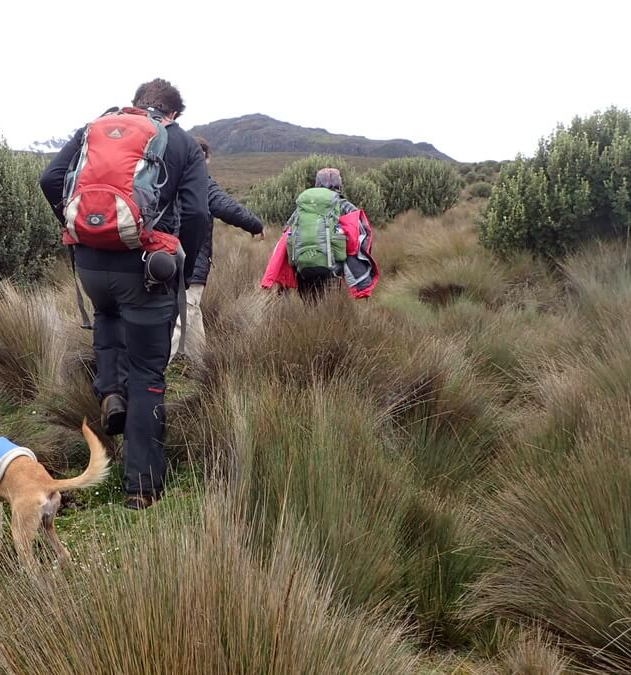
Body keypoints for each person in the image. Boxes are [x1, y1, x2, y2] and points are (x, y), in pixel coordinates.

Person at [39, 78, 210, 510]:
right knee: (149, 375)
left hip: (92, 264)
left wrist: (78, 228)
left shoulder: (94, 127)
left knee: (108, 318)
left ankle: (111, 390)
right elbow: (197, 212)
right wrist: (180, 258)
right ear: (173, 113)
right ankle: (142, 487)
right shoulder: (180, 142)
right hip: (147, 268)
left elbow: (50, 177)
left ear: (137, 104)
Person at [169, 137, 264, 365]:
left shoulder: (167, 178)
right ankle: (148, 378)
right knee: (181, 317)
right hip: (190, 262)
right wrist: (256, 225)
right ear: (207, 158)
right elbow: (224, 206)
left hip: (159, 258)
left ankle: (199, 364)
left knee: (192, 310)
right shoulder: (200, 181)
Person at [263, 167, 378, 302]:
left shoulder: (304, 206)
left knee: (309, 305)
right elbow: (360, 230)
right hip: (332, 268)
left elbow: (287, 230)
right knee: (330, 308)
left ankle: (309, 322)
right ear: (338, 185)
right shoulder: (343, 204)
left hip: (303, 268)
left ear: (317, 183)